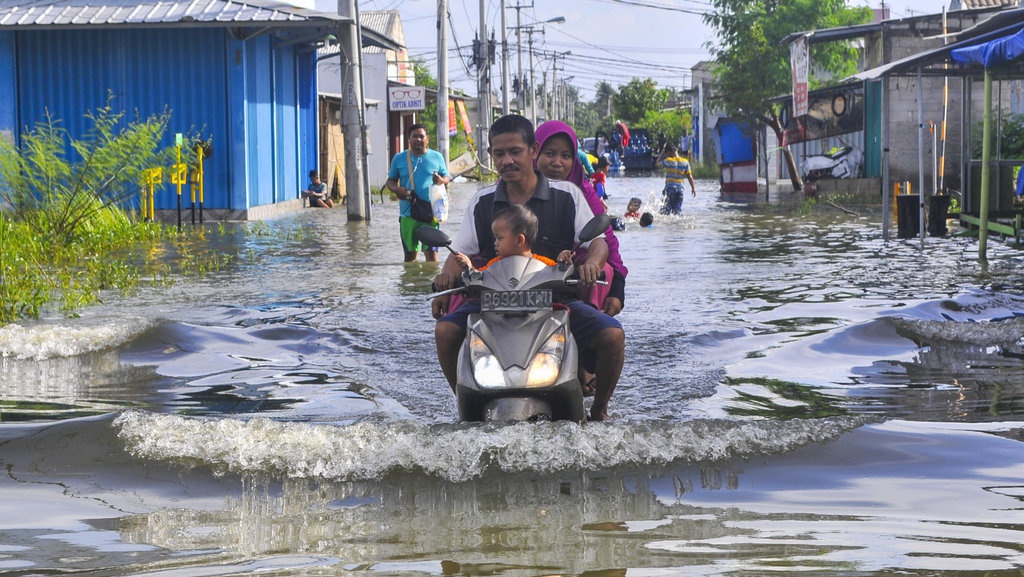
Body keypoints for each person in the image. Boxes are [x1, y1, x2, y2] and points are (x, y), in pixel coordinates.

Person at [432, 114, 625, 422]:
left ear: (533, 150)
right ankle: (466, 405)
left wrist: (591, 263)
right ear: (491, 155)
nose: (507, 160)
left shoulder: (568, 195)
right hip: (491, 302)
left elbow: (598, 242)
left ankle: (600, 410)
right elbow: (461, 251)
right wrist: (444, 279)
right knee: (444, 332)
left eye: (515, 151)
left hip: (557, 301)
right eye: (499, 153)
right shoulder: (481, 201)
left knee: (612, 336)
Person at [534, 120, 628, 318]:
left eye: (566, 156)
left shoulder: (582, 193)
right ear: (534, 153)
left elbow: (607, 243)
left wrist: (617, 292)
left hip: (571, 282)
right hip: (519, 278)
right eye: (549, 153)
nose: (557, 163)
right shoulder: (511, 190)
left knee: (609, 335)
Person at [386, 123, 451, 262]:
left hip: (431, 214)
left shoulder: (437, 157)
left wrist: (440, 180)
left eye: (421, 136)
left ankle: (431, 283)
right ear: (409, 139)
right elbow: (390, 182)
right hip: (408, 215)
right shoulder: (399, 158)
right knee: (410, 258)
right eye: (415, 136)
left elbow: (447, 178)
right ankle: (413, 283)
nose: (418, 139)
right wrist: (397, 189)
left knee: (432, 257)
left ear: (427, 138)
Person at [452, 204, 571, 273]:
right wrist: (470, 267)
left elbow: (560, 273)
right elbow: (479, 276)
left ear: (519, 240)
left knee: (585, 313)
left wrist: (565, 262)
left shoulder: (544, 264)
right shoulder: (494, 264)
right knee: (457, 316)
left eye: (499, 238)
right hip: (497, 312)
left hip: (538, 313)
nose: (495, 243)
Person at [656, 143, 696, 215]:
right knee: (677, 212)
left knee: (664, 212)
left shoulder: (668, 160)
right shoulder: (685, 162)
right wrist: (693, 188)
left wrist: (663, 150)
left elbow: (657, 163)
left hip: (670, 189)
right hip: (680, 190)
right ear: (677, 150)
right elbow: (690, 176)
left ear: (668, 152)